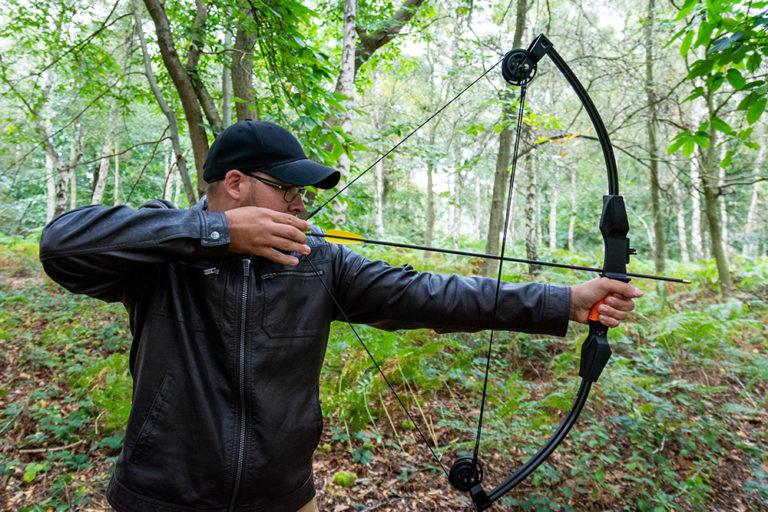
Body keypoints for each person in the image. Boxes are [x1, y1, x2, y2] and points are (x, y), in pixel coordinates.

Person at [39, 120, 642, 512]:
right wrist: (215, 231)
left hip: (282, 495)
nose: (301, 204)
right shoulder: (161, 253)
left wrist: (564, 300)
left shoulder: (317, 261)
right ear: (235, 185)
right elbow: (61, 244)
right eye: (288, 190)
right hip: (163, 495)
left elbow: (431, 294)